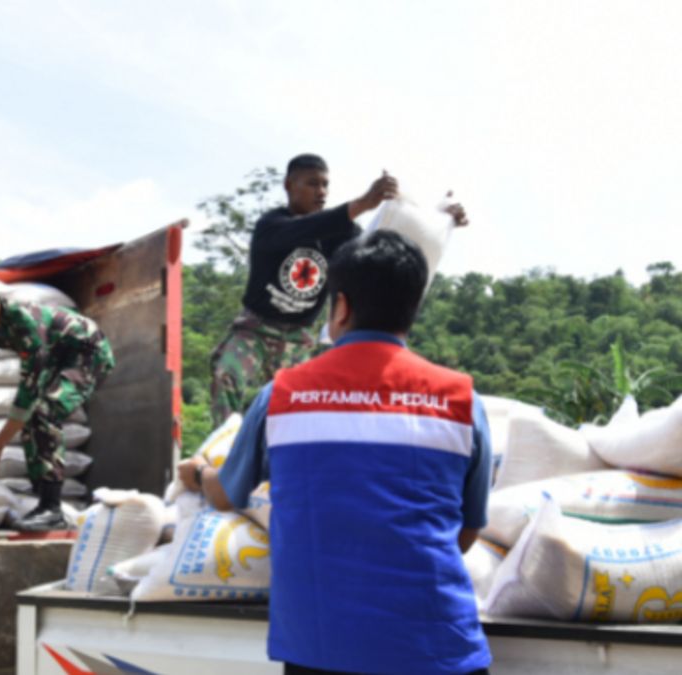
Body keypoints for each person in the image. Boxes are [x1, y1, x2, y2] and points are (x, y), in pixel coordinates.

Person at [179, 230, 493, 674]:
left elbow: (228, 493)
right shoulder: (462, 401)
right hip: (439, 649)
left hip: (321, 652)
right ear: (412, 308)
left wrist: (196, 474)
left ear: (341, 306)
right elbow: (466, 531)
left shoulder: (282, 395)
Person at [208, 154, 469, 424]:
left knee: (301, 402)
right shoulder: (271, 226)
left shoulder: (340, 233)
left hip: (298, 337)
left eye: (325, 185)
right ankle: (223, 447)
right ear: (289, 185)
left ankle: (279, 453)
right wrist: (362, 204)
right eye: (312, 184)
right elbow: (305, 228)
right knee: (226, 372)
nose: (321, 192)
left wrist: (441, 221)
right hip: (255, 329)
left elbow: (385, 246)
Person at [0, 273, 114, 531]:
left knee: (42, 411)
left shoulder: (25, 323)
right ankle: (41, 491)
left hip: (87, 353)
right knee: (29, 418)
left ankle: (52, 509)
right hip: (56, 354)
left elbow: (28, 394)